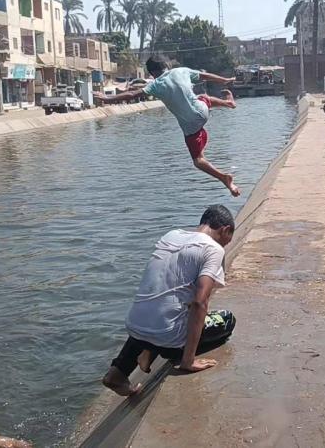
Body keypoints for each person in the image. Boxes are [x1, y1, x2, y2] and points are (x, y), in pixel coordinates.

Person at [103, 205, 238, 396]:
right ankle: (161, 350)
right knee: (228, 319)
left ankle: (117, 373)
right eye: (227, 241)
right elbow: (200, 303)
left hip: (135, 325)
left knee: (156, 313)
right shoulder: (213, 249)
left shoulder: (172, 234)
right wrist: (188, 361)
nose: (225, 246)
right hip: (167, 336)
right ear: (224, 230)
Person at [93, 56, 240, 196]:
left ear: (152, 73)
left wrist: (107, 98)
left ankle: (224, 178)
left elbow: (132, 95)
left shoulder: (156, 85)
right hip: (203, 112)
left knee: (198, 160)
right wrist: (225, 80)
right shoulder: (182, 71)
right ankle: (228, 103)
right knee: (204, 98)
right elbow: (204, 76)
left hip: (191, 127)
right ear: (166, 65)